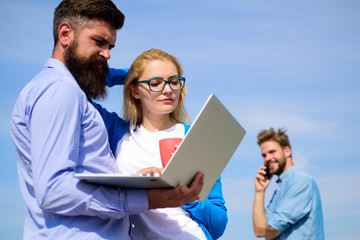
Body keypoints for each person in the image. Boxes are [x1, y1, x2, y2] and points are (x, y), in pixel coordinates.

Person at [10, 1, 204, 239]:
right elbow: (53, 190)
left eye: (110, 45)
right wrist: (145, 199)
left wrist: (132, 184)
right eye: (99, 42)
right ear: (65, 33)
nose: (107, 54)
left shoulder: (57, 89)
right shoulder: (61, 91)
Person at [98, 48, 227, 239]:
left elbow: (218, 225)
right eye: (155, 83)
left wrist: (185, 195)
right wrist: (127, 75)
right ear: (134, 91)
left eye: (174, 82)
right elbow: (75, 86)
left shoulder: (193, 137)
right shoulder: (116, 131)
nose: (168, 90)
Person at [252, 128, 324, 239]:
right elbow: (259, 231)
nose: (267, 158)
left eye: (272, 152)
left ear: (287, 151)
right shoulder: (281, 186)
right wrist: (259, 191)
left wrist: (269, 231)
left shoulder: (300, 181)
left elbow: (272, 230)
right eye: (264, 155)